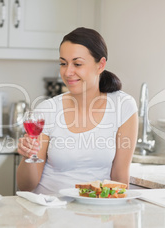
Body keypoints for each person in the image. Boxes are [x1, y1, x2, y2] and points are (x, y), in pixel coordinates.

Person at [16, 27, 138, 194]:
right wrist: (28, 156)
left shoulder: (123, 106)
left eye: (77, 64)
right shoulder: (48, 110)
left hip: (97, 213)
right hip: (50, 212)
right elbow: (26, 185)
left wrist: (117, 215)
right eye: (63, 63)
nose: (68, 72)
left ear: (100, 65)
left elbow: (119, 177)